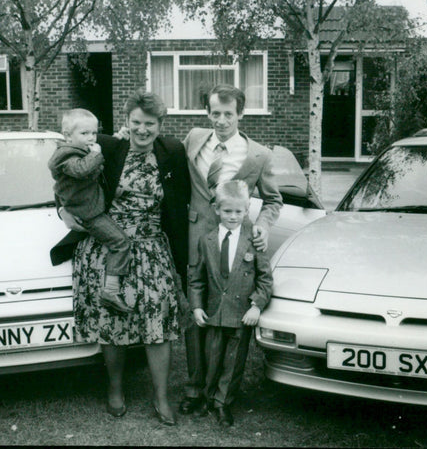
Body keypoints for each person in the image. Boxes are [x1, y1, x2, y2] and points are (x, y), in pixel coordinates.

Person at [50, 90, 191, 426]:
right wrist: (62, 212)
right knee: (113, 322)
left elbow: (182, 197)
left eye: (150, 124)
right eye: (137, 123)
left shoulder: (172, 151)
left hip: (153, 249)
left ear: (160, 125)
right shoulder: (108, 148)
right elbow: (64, 178)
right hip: (107, 247)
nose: (143, 130)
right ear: (126, 122)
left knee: (158, 324)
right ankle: (115, 388)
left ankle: (161, 396)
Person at [180, 83, 282, 415]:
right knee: (197, 315)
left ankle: (223, 393)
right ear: (207, 113)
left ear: (240, 113)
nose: (221, 120)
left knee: (233, 315)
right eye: (215, 113)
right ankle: (196, 389)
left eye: (228, 114)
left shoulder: (258, 154)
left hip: (238, 244)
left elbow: (273, 199)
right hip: (198, 238)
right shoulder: (194, 139)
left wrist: (263, 225)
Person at [188, 180, 273, 427]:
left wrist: (256, 306)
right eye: (227, 211)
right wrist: (196, 306)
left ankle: (223, 402)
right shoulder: (207, 240)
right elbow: (197, 278)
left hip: (240, 314)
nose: (233, 216)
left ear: (247, 211)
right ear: (216, 210)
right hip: (214, 312)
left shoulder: (254, 241)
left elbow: (265, 279)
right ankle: (207, 397)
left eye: (238, 211)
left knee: (233, 362)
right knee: (211, 358)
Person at [47, 109, 132, 312]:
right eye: (84, 134)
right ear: (67, 135)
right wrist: (95, 153)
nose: (91, 138)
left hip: (89, 206)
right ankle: (111, 290)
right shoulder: (65, 155)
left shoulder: (82, 150)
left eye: (93, 133)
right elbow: (82, 170)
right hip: (87, 213)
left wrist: (116, 139)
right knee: (120, 242)